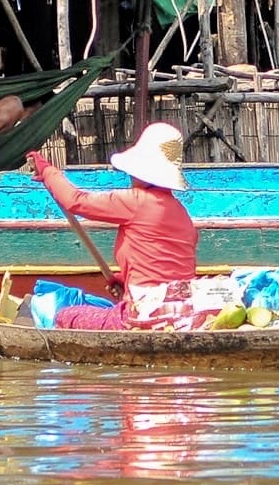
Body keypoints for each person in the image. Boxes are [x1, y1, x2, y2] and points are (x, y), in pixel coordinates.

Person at [26, 123, 207, 330]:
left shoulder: (137, 201)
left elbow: (75, 201)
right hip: (184, 315)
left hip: (144, 315)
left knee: (66, 315)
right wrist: (125, 280)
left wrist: (48, 171)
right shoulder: (182, 213)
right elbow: (167, 267)